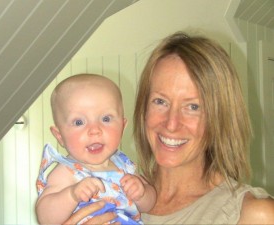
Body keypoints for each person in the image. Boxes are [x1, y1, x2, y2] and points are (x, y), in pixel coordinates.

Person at [63, 32, 274, 224]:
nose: (171, 123)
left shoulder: (254, 215)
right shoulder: (106, 194)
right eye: (160, 102)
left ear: (221, 117)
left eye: (193, 107)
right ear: (143, 108)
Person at [35, 74, 156, 225]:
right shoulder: (67, 172)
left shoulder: (125, 165)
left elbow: (149, 204)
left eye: (106, 119)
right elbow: (46, 218)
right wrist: (72, 195)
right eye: (79, 122)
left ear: (122, 127)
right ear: (60, 136)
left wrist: (142, 193)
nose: (95, 130)